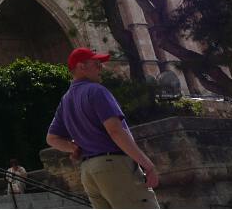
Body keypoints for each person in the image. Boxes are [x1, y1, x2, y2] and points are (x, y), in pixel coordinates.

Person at [46, 48, 160, 209]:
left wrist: (74, 147)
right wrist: (148, 164)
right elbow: (115, 131)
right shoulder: (97, 91)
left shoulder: (65, 101)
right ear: (81, 67)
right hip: (114, 165)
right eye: (97, 64)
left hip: (88, 171)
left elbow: (52, 139)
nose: (102, 68)